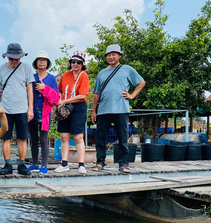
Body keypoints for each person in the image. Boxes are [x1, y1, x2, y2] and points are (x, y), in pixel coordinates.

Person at [91, 44, 146, 173]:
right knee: (101, 138)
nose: (111, 57)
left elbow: (141, 82)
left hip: (121, 108)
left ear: (119, 55)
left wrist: (132, 95)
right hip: (103, 109)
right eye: (108, 55)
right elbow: (96, 94)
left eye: (113, 54)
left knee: (122, 138)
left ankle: (123, 163)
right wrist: (94, 111)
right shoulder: (102, 73)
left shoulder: (127, 69)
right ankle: (100, 162)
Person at [0, 43, 34, 175]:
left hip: (22, 108)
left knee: (23, 138)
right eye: (12, 58)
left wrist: (30, 109)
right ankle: (7, 164)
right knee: (6, 138)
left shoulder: (26, 68)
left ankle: (22, 164)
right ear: (7, 57)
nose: (15, 61)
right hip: (5, 110)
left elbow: (29, 89)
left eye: (17, 58)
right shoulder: (0, 69)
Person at [56, 51, 91, 174]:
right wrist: (60, 101)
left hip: (78, 107)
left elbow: (82, 95)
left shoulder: (83, 76)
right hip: (65, 107)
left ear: (82, 64)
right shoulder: (65, 75)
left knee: (78, 136)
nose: (75, 64)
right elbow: (59, 91)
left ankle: (81, 164)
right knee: (64, 136)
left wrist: (65, 100)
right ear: (70, 63)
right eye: (73, 62)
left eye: (78, 62)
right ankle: (64, 163)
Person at [27, 51, 60, 175]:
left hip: (45, 113)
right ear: (36, 63)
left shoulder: (51, 78)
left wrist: (44, 88)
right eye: (39, 59)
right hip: (32, 111)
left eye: (44, 60)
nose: (41, 62)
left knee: (44, 139)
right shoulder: (32, 77)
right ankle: (35, 164)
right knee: (33, 139)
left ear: (47, 63)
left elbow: (56, 98)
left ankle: (44, 165)